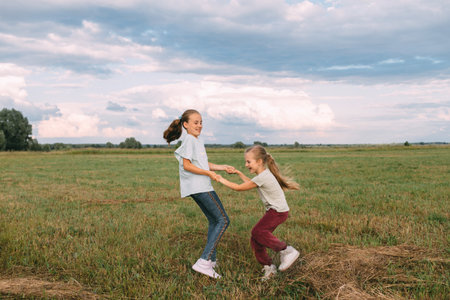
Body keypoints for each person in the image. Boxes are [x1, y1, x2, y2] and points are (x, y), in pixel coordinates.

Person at [163, 109, 233, 279]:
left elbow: (202, 163)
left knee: (214, 220)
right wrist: (209, 174)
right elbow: (187, 165)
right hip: (200, 186)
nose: (199, 125)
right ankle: (204, 262)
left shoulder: (195, 140)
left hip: (198, 186)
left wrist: (222, 167)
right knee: (223, 220)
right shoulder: (189, 140)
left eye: (201, 122)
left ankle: (211, 261)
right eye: (196, 122)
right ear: (185, 125)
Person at [217, 145, 300, 281]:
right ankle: (269, 268)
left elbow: (239, 188)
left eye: (249, 162)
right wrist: (238, 173)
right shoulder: (262, 175)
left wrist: (220, 179)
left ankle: (287, 250)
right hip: (277, 211)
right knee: (256, 239)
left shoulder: (264, 176)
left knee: (258, 232)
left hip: (277, 212)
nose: (246, 164)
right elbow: (250, 183)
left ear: (260, 161)